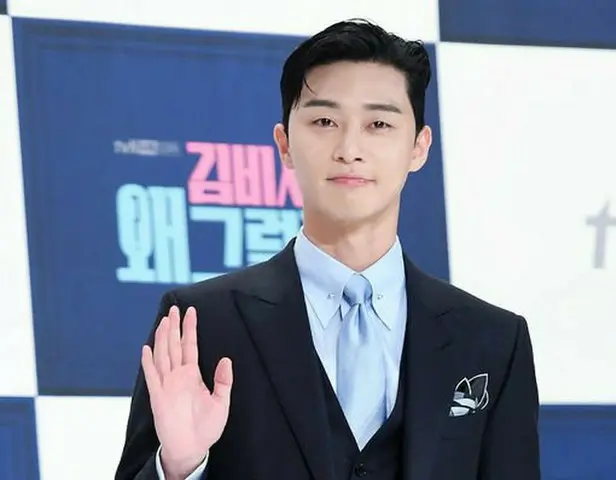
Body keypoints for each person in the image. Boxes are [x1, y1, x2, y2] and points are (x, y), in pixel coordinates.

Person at [114, 18, 540, 480]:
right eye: (324, 121)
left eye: (379, 123)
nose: (349, 148)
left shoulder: (493, 340)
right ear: (285, 144)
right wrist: (179, 466)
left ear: (419, 147)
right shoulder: (203, 322)